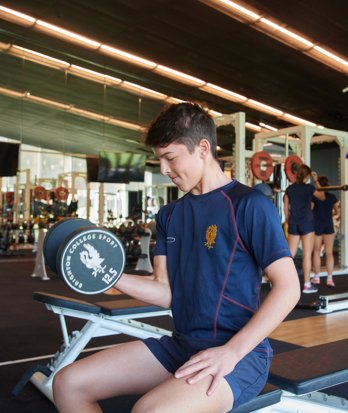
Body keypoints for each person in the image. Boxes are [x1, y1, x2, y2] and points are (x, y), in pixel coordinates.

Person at [52, 102, 300, 413]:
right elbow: (165, 291)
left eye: (170, 158)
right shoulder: (170, 215)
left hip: (240, 356)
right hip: (181, 346)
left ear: (202, 148)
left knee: (150, 411)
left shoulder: (248, 206)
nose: (165, 170)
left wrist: (231, 352)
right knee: (68, 383)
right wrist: (107, 275)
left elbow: (289, 288)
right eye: (160, 160)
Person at [283, 164, 323, 294]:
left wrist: (289, 219)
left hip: (294, 223)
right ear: (307, 176)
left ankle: (279, 282)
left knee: (289, 255)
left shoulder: (290, 189)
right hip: (306, 224)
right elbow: (322, 197)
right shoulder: (310, 187)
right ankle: (306, 285)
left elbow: (285, 207)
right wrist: (316, 180)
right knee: (307, 255)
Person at [311, 176, 340, 288]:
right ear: (327, 186)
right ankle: (329, 279)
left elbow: (310, 209)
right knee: (329, 253)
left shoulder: (315, 197)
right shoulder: (332, 197)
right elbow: (336, 211)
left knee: (317, 251)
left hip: (317, 225)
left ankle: (317, 277)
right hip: (328, 225)